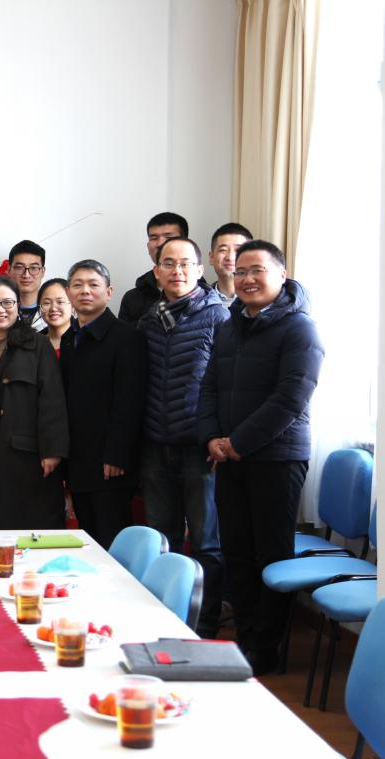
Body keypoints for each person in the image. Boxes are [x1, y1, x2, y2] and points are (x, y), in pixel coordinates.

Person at [197, 240, 323, 674]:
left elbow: (291, 398)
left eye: (257, 270)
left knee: (271, 556)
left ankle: (267, 648)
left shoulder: (300, 329)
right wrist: (211, 437)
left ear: (281, 276)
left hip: (277, 459)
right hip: (230, 456)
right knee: (236, 551)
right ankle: (247, 636)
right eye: (241, 271)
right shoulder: (229, 325)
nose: (247, 279)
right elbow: (208, 386)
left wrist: (237, 442)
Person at [137, 238, 229, 638]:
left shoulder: (218, 316)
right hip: (155, 445)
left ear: (199, 270)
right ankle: (166, 619)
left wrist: (217, 436)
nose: (177, 271)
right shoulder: (148, 320)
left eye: (185, 264)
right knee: (163, 539)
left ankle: (204, 623)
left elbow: (227, 383)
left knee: (206, 542)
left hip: (199, 448)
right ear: (157, 271)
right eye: (169, 264)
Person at [0, 276, 69, 528]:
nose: (0, 310)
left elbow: (52, 399)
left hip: (28, 455)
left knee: (31, 524)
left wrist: (53, 451)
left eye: (7, 302)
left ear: (18, 305)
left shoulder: (37, 345)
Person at [60, 260, 147, 549]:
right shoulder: (70, 338)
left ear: (108, 293)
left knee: (112, 540)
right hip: (79, 460)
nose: (85, 291)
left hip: (111, 463)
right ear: (69, 292)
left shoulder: (127, 337)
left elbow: (130, 401)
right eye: (77, 285)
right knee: (88, 541)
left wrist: (118, 454)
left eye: (93, 284)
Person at [118, 211, 190, 323]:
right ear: (148, 246)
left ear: (186, 243)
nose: (160, 243)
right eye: (154, 238)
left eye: (169, 236)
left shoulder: (206, 297)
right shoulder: (132, 298)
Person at [207, 222, 253, 307]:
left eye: (238, 250)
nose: (230, 257)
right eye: (223, 250)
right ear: (211, 257)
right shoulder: (198, 302)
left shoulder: (264, 301)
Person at [6, 240, 48, 331]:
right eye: (19, 268)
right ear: (9, 270)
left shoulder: (55, 310)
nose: (26, 275)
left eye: (33, 268)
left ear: (43, 271)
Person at [37, 278, 72, 356]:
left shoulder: (85, 342)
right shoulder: (32, 345)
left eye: (60, 302)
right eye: (47, 303)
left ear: (73, 306)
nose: (53, 308)